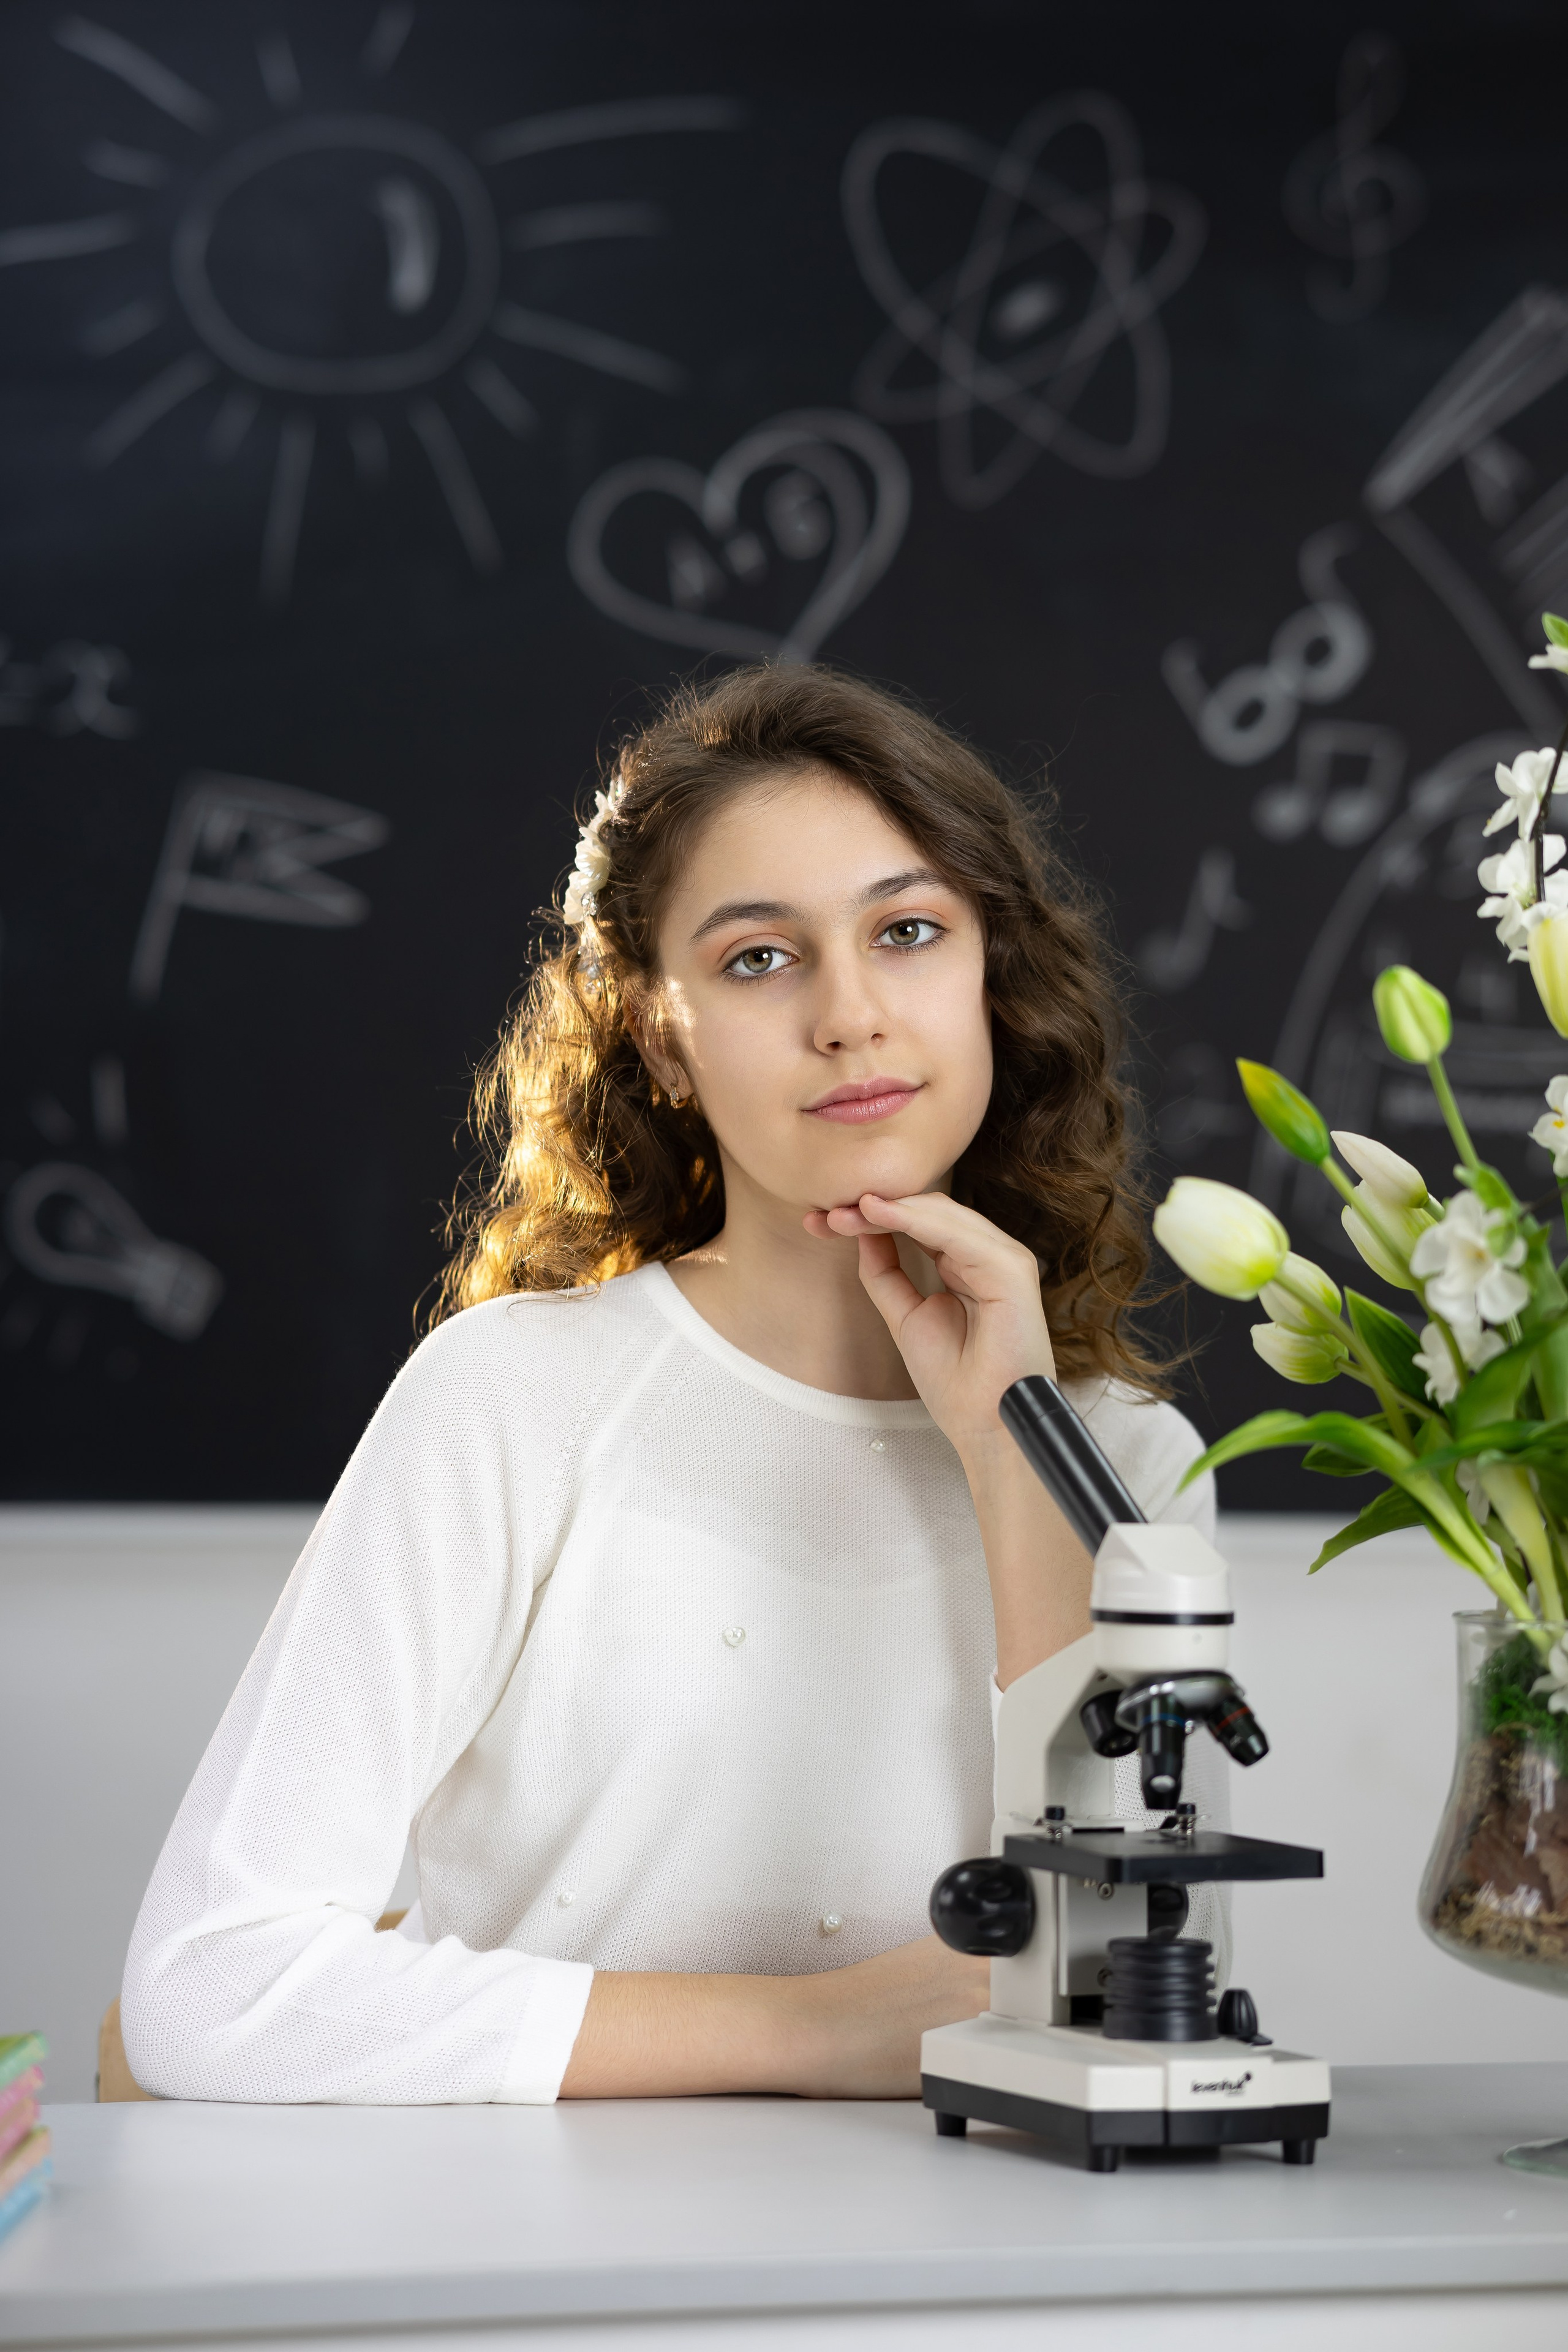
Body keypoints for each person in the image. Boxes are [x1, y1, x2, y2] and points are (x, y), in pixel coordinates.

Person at [121, 665, 1218, 2106]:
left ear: (991, 982)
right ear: (659, 1033)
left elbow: (1117, 1973)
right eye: (760, 958)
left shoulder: (1132, 1460)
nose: (850, 1017)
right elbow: (213, 1987)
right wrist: (815, 2032)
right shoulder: (512, 1402)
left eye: (906, 933)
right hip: (545, 2286)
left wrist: (1014, 1447)